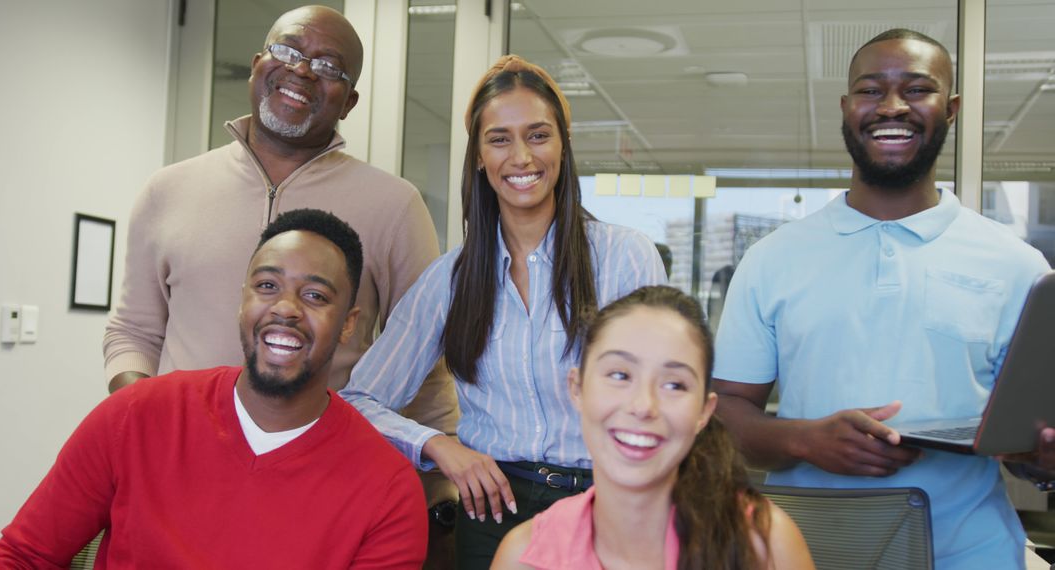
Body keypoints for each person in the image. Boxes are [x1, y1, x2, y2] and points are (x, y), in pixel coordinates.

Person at [100, 4, 457, 556]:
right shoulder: (167, 190)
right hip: (176, 474)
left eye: (329, 66)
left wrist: (440, 487)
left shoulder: (395, 205)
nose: (303, 70)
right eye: (288, 50)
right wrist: (147, 427)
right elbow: (134, 332)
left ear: (350, 100)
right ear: (257, 62)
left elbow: (426, 364)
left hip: (321, 483)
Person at [711, 28, 1053, 568]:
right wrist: (806, 441)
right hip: (806, 552)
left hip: (970, 555)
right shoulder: (773, 259)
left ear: (952, 108)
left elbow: (1031, 442)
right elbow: (725, 413)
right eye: (871, 90)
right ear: (847, 108)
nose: (892, 106)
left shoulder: (1018, 266)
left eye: (917, 89)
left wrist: (1041, 459)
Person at [340, 54, 666, 568]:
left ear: (563, 144)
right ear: (478, 156)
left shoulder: (624, 256)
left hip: (607, 505)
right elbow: (356, 401)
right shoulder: (451, 279)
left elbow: (663, 397)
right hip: (492, 512)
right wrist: (438, 447)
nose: (521, 157)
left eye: (538, 135)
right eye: (499, 139)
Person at [0, 209, 427, 569]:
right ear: (243, 302)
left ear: (349, 324)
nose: (285, 309)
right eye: (267, 286)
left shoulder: (387, 490)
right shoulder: (135, 416)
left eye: (315, 296)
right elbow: (21, 557)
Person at [491, 286, 814, 570]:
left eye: (674, 385)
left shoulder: (764, 541)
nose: (644, 406)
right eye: (620, 375)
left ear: (704, 411)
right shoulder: (524, 556)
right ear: (577, 388)